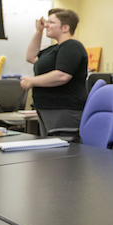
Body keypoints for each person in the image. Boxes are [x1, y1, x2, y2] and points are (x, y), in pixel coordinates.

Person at [21, 8, 88, 137]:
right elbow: (31, 57)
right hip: (48, 108)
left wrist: (31, 81)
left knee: (63, 153)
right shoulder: (54, 49)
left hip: (64, 108)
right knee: (51, 152)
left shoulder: (72, 46)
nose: (46, 25)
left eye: (51, 22)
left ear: (65, 28)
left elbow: (62, 75)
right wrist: (39, 31)